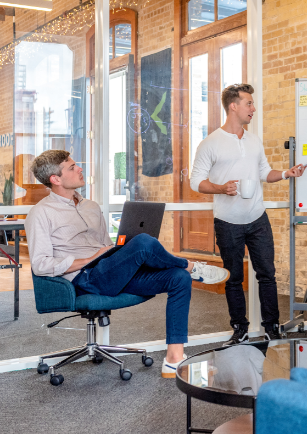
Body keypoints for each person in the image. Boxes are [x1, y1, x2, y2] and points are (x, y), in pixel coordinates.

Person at [25, 150, 230, 379]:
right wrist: (89, 259)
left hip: (109, 271)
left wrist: (115, 250)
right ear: (55, 179)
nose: (80, 169)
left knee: (177, 278)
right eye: (72, 167)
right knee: (143, 243)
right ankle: (190, 266)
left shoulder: (90, 206)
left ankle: (174, 359)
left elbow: (105, 245)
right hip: (86, 278)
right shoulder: (40, 213)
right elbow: (41, 265)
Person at [190, 83, 305, 345]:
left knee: (267, 274)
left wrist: (287, 173)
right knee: (233, 276)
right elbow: (196, 182)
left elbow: (265, 173)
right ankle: (239, 328)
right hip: (228, 221)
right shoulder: (211, 143)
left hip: (257, 218)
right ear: (234, 106)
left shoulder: (254, 141)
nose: (253, 108)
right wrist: (221, 188)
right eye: (249, 103)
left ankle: (271, 326)